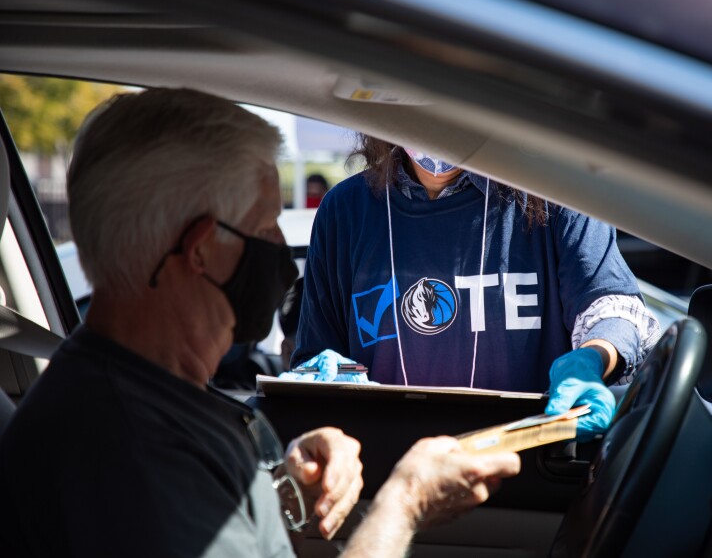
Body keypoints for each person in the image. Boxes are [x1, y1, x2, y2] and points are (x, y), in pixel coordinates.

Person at [0, 89, 520, 558]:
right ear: (202, 248)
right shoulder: (132, 457)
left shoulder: (147, 402)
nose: (282, 251)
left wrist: (281, 492)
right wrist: (403, 504)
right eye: (264, 224)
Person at [293, 136, 661, 440]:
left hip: (524, 467)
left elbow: (612, 305)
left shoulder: (556, 196)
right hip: (388, 473)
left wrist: (593, 358)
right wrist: (324, 377)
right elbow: (315, 359)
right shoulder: (345, 211)